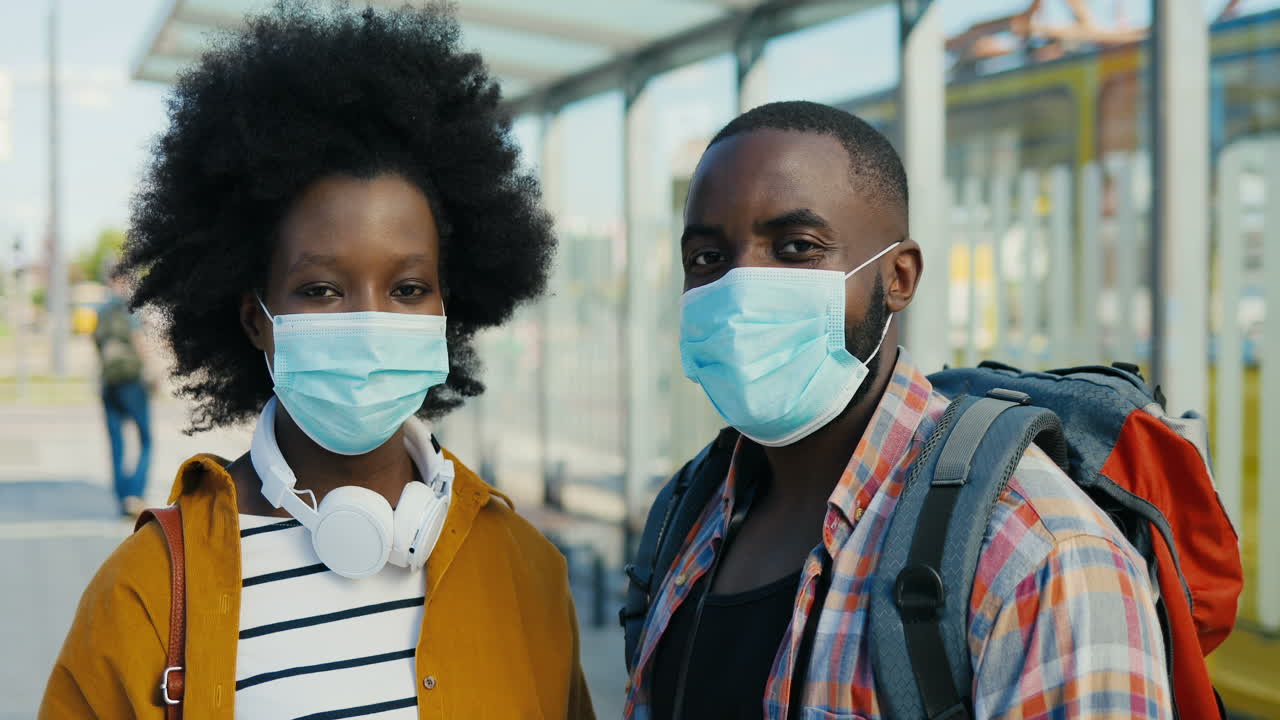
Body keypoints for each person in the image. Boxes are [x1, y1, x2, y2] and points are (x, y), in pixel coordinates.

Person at [40, 3, 593, 719]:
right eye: (322, 289)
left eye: (408, 288)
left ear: (448, 310)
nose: (368, 321)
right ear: (255, 319)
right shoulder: (147, 594)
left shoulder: (525, 570)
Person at [625, 101, 1169, 719]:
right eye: (707, 258)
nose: (741, 290)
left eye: (797, 247)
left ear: (899, 276)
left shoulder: (1035, 553)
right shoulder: (685, 512)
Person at [92, 258, 154, 518]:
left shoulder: (101, 311)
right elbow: (138, 341)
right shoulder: (130, 309)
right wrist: (150, 370)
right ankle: (134, 494)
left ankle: (121, 497)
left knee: (116, 441)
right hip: (131, 379)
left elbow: (96, 345)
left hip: (109, 381)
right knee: (145, 438)